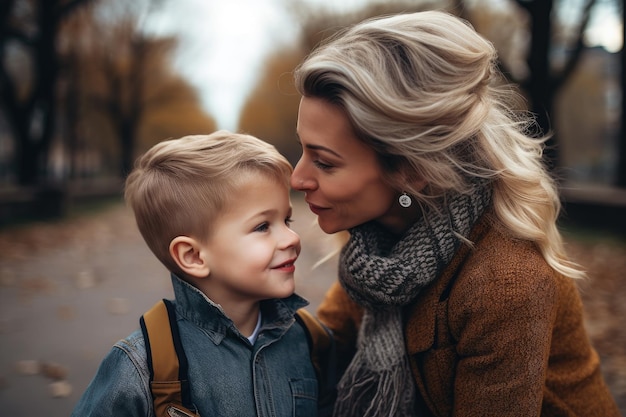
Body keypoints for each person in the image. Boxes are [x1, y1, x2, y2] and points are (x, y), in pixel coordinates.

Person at [289, 10, 620, 417]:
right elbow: (325, 347)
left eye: (324, 162)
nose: (297, 179)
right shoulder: (378, 248)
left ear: (413, 171)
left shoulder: (506, 284)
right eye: (302, 149)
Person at [72, 131, 321, 417]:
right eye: (263, 226)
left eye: (286, 220)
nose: (291, 238)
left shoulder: (310, 340)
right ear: (193, 256)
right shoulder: (145, 367)